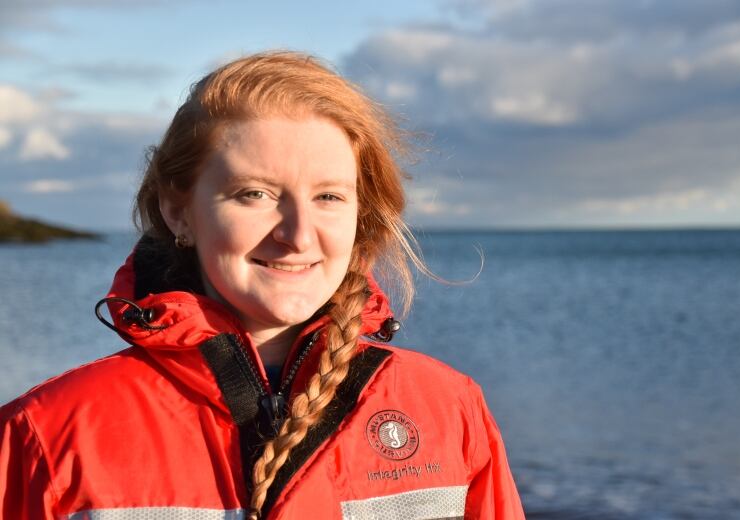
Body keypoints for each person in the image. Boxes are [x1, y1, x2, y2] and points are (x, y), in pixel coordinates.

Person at [0, 51, 524, 519]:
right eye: (255, 193)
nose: (297, 236)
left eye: (329, 197)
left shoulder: (449, 408)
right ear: (178, 211)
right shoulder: (47, 433)